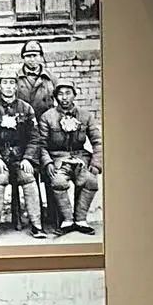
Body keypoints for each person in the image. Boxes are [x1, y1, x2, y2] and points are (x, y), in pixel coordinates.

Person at [0, 66, 46, 239]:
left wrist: (28, 158)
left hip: (21, 157)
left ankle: (37, 225)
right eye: (5, 83)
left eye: (11, 83)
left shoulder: (26, 108)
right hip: (0, 156)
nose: (8, 86)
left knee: (28, 177)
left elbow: (34, 138)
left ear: (16, 86)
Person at [40, 82, 101, 235]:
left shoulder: (85, 115)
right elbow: (41, 144)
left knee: (91, 181)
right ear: (55, 97)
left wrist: (96, 163)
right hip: (58, 158)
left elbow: (97, 141)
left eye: (68, 93)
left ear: (74, 95)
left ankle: (81, 220)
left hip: (81, 158)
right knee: (58, 181)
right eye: (60, 94)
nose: (64, 98)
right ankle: (67, 220)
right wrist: (47, 162)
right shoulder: (48, 116)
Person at [15, 40, 58, 116]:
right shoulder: (16, 77)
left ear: (41, 57)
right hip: (24, 119)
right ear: (23, 58)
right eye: (28, 56)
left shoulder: (51, 77)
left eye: (35, 56)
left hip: (46, 119)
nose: (32, 59)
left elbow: (60, 99)